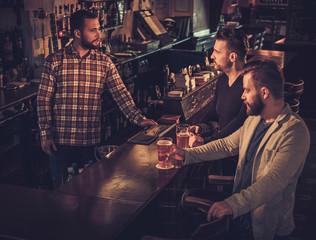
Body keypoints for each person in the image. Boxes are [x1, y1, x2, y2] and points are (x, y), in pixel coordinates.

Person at [170, 60, 310, 240]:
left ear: (264, 93)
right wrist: (188, 154)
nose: (242, 96)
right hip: (239, 217)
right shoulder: (255, 119)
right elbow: (227, 145)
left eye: (247, 90)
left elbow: (273, 182)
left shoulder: (294, 132)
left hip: (265, 227)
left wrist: (231, 204)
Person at [37, 10, 156, 188]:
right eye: (93, 30)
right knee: (61, 193)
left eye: (98, 29)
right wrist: (45, 134)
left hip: (90, 142)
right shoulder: (55, 61)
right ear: (77, 33)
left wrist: (140, 119)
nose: (98, 35)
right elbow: (43, 99)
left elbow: (121, 95)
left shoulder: (104, 62)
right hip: (60, 143)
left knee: (90, 194)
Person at [189, 28, 248, 148]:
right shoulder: (222, 79)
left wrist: (205, 142)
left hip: (237, 156)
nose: (212, 56)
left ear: (232, 57)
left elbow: (238, 126)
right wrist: (200, 127)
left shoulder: (249, 85)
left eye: (217, 52)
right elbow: (213, 114)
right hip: (221, 150)